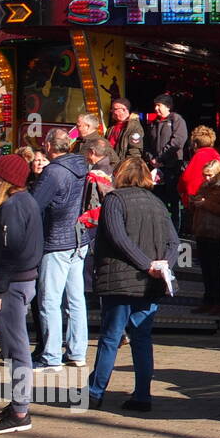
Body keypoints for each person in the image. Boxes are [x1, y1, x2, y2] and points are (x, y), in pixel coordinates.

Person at [86, 158, 178, 413]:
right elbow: (173, 240)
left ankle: (95, 392)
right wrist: (162, 266)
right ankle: (142, 395)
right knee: (141, 338)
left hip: (121, 279)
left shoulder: (115, 200)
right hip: (150, 282)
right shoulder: (158, 203)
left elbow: (117, 237)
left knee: (111, 337)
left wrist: (146, 263)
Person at [0, 154, 44, 433]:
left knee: (17, 347)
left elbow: (9, 251)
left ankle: (21, 411)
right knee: (13, 346)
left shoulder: (12, 206)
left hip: (14, 283)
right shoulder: (28, 202)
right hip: (24, 280)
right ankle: (17, 404)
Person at [30, 129, 93, 370]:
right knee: (75, 299)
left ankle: (51, 356)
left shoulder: (54, 171)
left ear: (48, 146)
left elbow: (35, 205)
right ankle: (78, 352)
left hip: (56, 240)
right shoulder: (81, 164)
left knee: (50, 300)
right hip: (79, 238)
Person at [189, 159, 220, 315]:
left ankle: (219, 301)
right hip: (202, 230)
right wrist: (194, 201)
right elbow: (199, 199)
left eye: (209, 175)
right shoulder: (205, 186)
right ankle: (208, 300)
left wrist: (205, 204)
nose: (206, 178)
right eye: (204, 175)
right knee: (206, 269)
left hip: (215, 232)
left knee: (216, 269)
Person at [144, 95, 187, 227]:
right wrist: (151, 158)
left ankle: (175, 230)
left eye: (159, 105)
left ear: (168, 106)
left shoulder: (176, 120)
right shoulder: (153, 122)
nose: (156, 108)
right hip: (156, 169)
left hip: (172, 167)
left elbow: (177, 141)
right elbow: (146, 143)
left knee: (173, 200)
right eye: (155, 105)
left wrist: (160, 158)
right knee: (157, 199)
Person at [178, 126, 220, 214]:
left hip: (196, 200)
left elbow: (187, 178)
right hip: (213, 199)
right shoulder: (216, 155)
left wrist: (181, 191)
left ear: (195, 144)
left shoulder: (199, 156)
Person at [107, 98, 144, 163]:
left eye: (114, 109)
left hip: (122, 166)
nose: (111, 111)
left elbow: (134, 151)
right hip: (110, 164)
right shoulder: (112, 126)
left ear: (124, 110)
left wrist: (127, 167)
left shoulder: (133, 126)